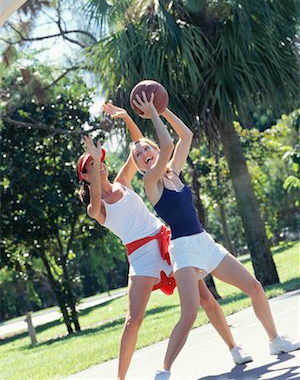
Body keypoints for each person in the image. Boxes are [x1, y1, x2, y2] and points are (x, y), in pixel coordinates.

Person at [130, 92, 300, 380]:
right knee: (190, 314)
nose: (144, 155)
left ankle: (275, 341)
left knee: (256, 288)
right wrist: (153, 115)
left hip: (204, 243)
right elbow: (168, 143)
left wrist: (164, 109)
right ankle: (164, 370)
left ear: (155, 154)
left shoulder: (174, 173)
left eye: (146, 149)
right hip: (183, 250)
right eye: (138, 156)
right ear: (140, 165)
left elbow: (185, 135)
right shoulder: (150, 182)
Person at [77, 103, 253, 380]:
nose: (97, 165)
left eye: (99, 161)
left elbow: (138, 146)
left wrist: (125, 117)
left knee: (205, 298)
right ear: (85, 177)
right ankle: (120, 378)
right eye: (90, 166)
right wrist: (93, 157)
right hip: (140, 256)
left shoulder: (124, 181)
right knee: (133, 320)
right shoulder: (96, 208)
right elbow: (96, 195)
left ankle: (234, 347)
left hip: (168, 243)